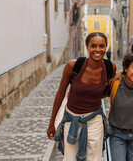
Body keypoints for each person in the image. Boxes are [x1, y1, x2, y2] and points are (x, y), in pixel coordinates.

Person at [47, 32, 116, 161]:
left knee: (94, 159)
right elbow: (60, 93)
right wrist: (52, 123)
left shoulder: (109, 68)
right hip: (71, 120)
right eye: (93, 46)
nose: (97, 50)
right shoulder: (73, 66)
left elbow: (106, 92)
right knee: (70, 158)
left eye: (102, 46)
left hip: (94, 121)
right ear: (87, 47)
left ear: (106, 47)